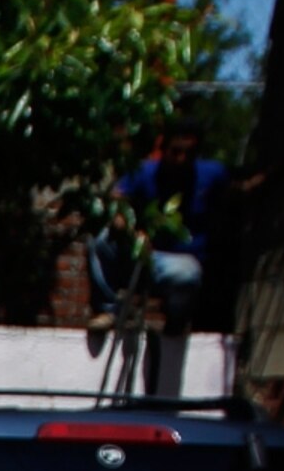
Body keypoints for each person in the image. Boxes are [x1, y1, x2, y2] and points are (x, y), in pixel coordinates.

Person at [89, 120, 229, 334]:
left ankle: (176, 320)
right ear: (163, 148)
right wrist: (126, 225)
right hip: (144, 256)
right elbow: (117, 198)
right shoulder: (144, 171)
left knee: (188, 273)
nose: (181, 159)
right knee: (101, 240)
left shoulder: (213, 174)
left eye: (188, 154)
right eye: (175, 152)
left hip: (182, 263)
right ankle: (108, 310)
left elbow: (240, 190)